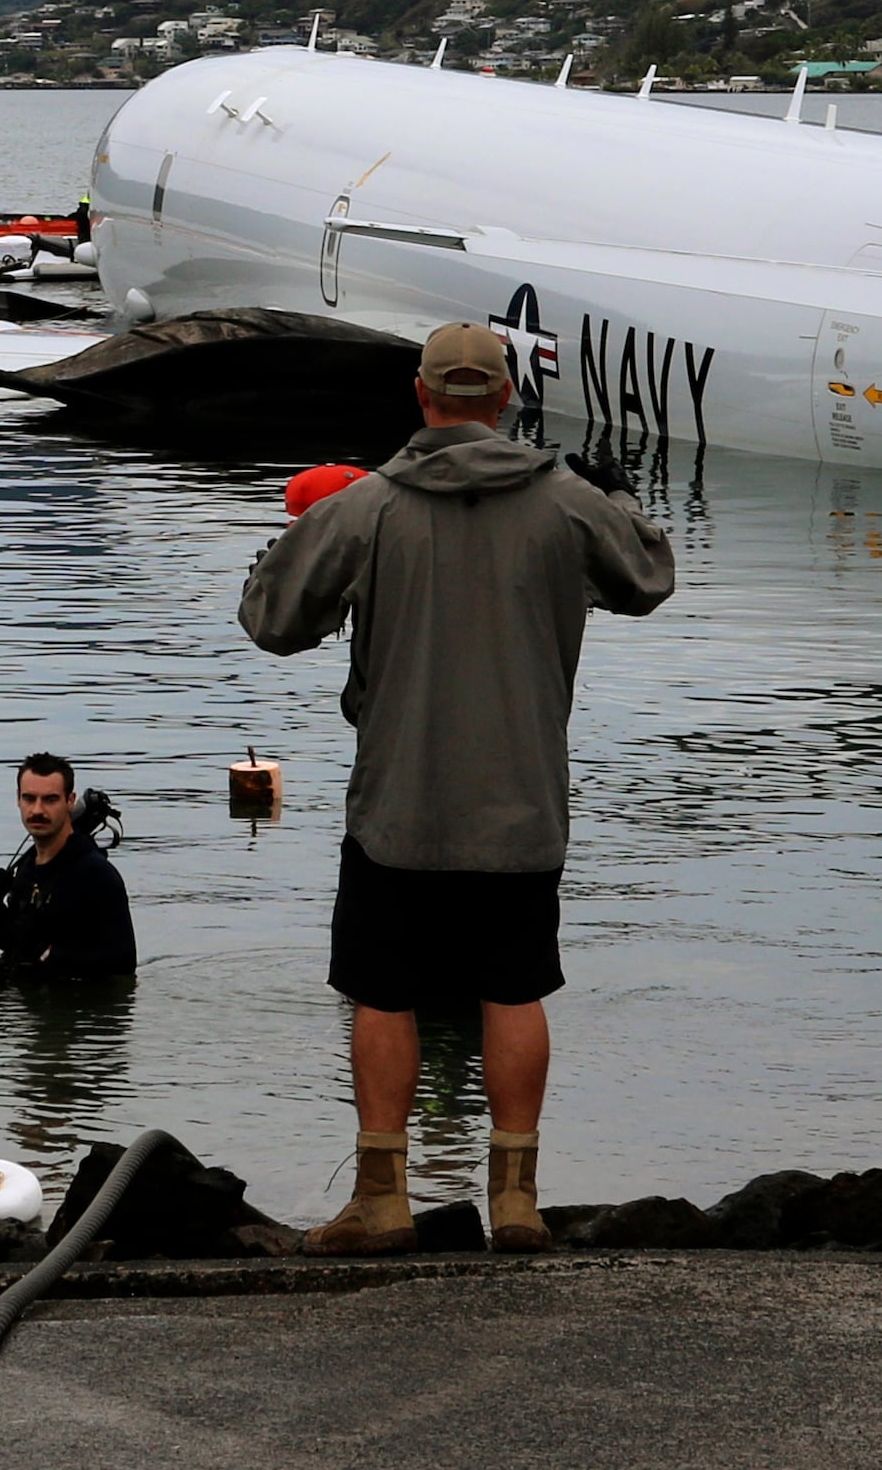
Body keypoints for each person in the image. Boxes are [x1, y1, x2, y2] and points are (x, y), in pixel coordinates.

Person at [241, 317, 673, 1256]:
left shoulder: (370, 507)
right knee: (515, 989)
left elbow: (272, 621)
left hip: (398, 803)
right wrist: (622, 500)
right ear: (507, 398)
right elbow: (647, 576)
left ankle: (382, 1200)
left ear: (423, 394)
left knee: (382, 993)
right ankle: (516, 1201)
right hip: (521, 803)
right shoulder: (563, 500)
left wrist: (292, 545)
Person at [0, 752, 136, 982]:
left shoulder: (97, 875)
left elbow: (124, 964)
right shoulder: (26, 868)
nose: (37, 810)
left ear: (70, 801)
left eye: (50, 799)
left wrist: (48, 956)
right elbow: (16, 945)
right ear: (18, 800)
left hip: (76, 1010)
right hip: (27, 1007)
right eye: (29, 798)